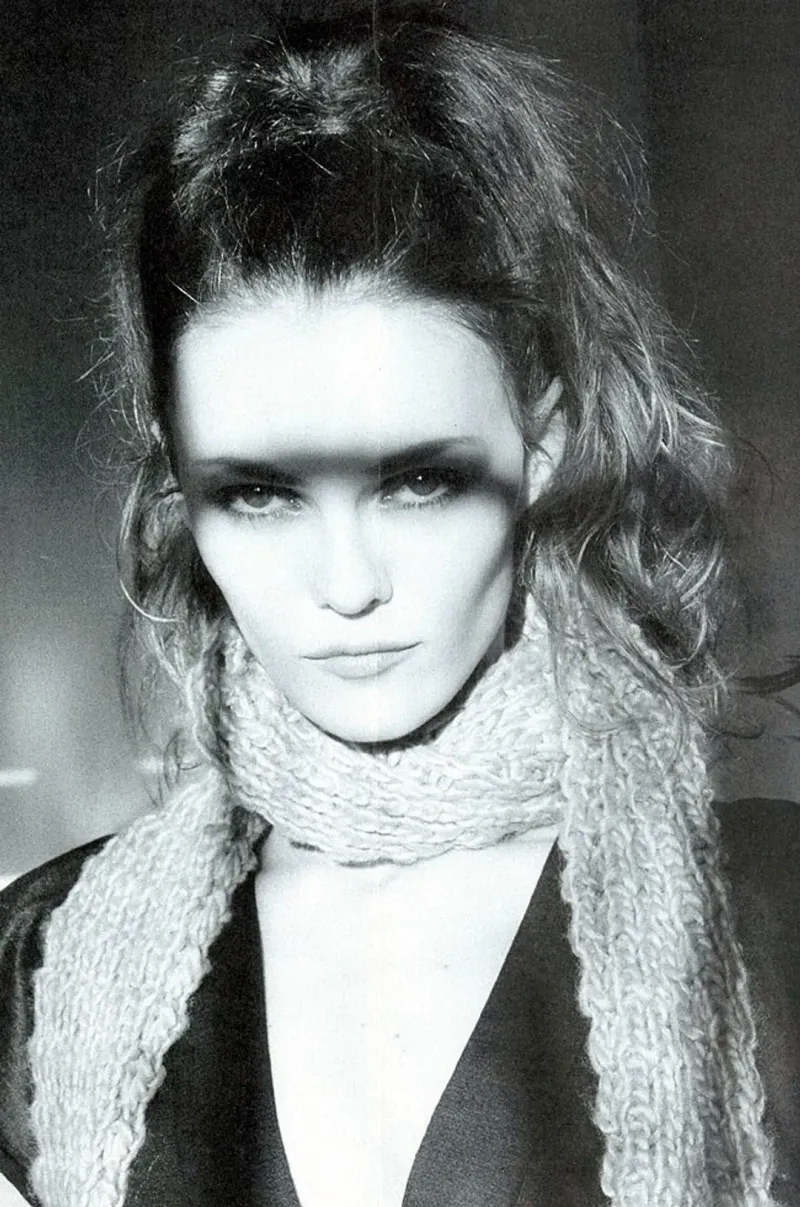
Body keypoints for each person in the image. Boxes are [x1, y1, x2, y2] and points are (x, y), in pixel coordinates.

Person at [0, 8, 798, 1206]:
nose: (345, 583)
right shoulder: (33, 975)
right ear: (177, 491)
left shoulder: (774, 929)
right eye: (259, 493)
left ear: (543, 445)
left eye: (417, 480)